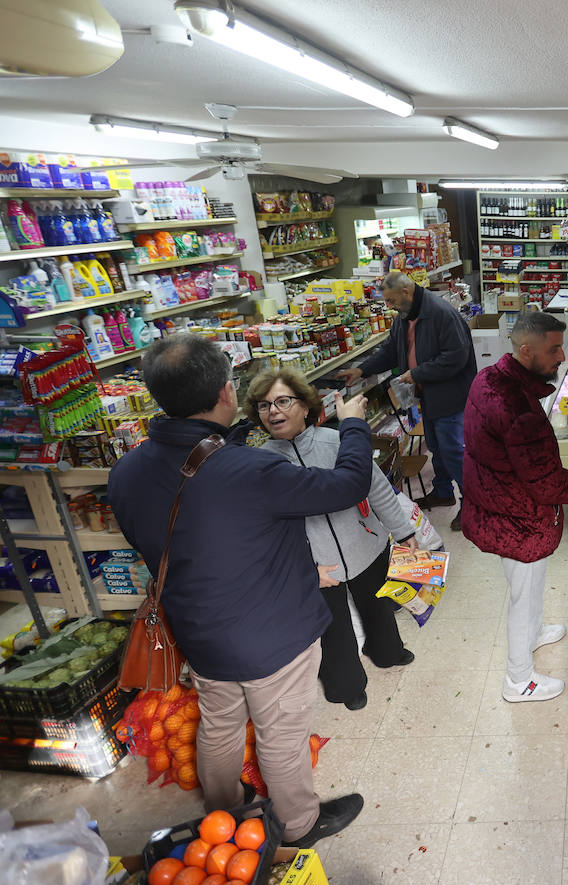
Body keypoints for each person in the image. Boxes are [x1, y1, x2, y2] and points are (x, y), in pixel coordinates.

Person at [109, 334, 367, 848]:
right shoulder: (252, 469)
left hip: (199, 633)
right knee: (281, 734)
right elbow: (347, 484)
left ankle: (225, 813)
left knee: (219, 724)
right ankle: (299, 825)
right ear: (226, 392)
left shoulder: (125, 472)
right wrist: (354, 424)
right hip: (274, 635)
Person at [247, 366, 418, 713]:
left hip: (365, 543)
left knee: (379, 607)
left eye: (282, 401)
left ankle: (387, 651)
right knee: (332, 629)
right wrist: (304, 570)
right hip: (317, 564)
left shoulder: (338, 441)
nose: (273, 411)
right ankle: (346, 685)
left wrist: (404, 532)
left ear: (305, 405)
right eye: (264, 406)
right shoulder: (261, 463)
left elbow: (378, 489)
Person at [462, 312, 568, 702]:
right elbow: (546, 481)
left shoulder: (488, 378)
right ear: (526, 350)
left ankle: (534, 633)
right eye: (554, 349)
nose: (562, 356)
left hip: (497, 504)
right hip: (518, 520)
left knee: (531, 586)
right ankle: (518, 680)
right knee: (523, 595)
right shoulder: (518, 407)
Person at [337, 271, 476, 530]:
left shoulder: (440, 313)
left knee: (453, 451)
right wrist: (362, 369)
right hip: (429, 394)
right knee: (437, 447)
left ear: (406, 292)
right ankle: (443, 492)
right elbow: (391, 350)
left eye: (391, 300)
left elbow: (456, 357)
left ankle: (472, 506)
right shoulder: (404, 316)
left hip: (451, 395)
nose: (389, 306)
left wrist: (417, 373)